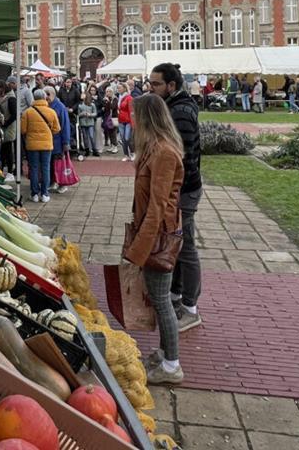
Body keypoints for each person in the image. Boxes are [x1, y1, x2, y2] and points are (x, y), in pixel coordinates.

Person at [125, 93, 185, 385]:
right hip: (153, 233)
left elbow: (158, 207)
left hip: (160, 236)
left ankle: (172, 366)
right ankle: (164, 353)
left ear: (149, 118)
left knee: (161, 301)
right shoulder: (153, 148)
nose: (132, 120)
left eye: (137, 115)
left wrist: (138, 249)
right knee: (159, 299)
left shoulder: (164, 153)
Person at [149, 63, 203, 333]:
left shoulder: (180, 111)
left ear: (171, 86)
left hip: (183, 190)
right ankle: (176, 295)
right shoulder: (174, 106)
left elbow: (179, 157)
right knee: (178, 245)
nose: (151, 88)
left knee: (187, 247)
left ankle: (191, 308)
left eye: (156, 84)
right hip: (179, 189)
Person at [20, 89, 60, 203]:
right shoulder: (51, 112)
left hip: (32, 145)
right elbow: (57, 129)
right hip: (46, 144)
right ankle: (44, 194)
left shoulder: (27, 112)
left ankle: (34, 194)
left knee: (34, 168)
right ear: (44, 98)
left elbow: (23, 130)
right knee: (45, 168)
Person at [45, 86, 71, 194]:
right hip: (49, 140)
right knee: (51, 163)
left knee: (60, 164)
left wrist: (66, 142)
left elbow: (65, 125)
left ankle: (63, 183)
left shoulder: (60, 107)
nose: (46, 97)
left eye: (47, 95)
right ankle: (53, 182)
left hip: (58, 140)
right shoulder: (47, 106)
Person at [0, 80, 17, 180]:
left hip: (8, 127)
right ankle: (2, 170)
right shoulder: (0, 97)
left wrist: (5, 123)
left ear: (3, 88)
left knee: (8, 149)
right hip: (2, 126)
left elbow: (14, 114)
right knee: (3, 149)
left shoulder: (11, 98)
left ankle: (10, 172)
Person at [118, 82, 134, 161]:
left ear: (124, 88)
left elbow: (131, 110)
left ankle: (133, 152)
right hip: (121, 120)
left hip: (128, 120)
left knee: (127, 138)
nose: (118, 89)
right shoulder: (119, 97)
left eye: (120, 88)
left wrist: (132, 123)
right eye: (118, 88)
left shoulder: (129, 97)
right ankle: (126, 155)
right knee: (123, 139)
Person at [101, 86, 119, 153]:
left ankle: (115, 146)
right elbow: (105, 108)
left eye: (109, 91)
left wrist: (108, 102)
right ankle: (112, 146)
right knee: (109, 132)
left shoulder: (115, 99)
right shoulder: (106, 99)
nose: (108, 93)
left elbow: (112, 107)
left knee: (113, 132)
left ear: (112, 92)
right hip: (107, 117)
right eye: (107, 92)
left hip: (114, 117)